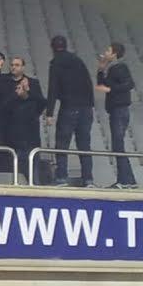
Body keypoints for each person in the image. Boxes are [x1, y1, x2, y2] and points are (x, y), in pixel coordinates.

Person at [45, 35, 94, 187]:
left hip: (69, 107)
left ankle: (61, 178)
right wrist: (90, 106)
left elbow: (53, 88)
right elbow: (88, 83)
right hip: (86, 108)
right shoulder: (78, 61)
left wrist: (49, 113)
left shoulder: (56, 63)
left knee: (62, 144)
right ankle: (88, 179)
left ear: (53, 48)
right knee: (84, 145)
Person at [96, 42, 137, 189]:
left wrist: (110, 89)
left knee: (118, 145)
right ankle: (127, 179)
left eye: (108, 50)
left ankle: (125, 180)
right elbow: (102, 83)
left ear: (114, 54)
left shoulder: (120, 67)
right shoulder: (111, 68)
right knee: (117, 146)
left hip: (120, 109)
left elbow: (129, 84)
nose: (105, 52)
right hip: (115, 109)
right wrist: (101, 69)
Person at [0, 57, 46, 183]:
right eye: (12, 65)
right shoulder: (4, 83)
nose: (13, 67)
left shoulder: (33, 83)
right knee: (12, 175)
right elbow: (2, 106)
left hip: (31, 136)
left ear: (23, 67)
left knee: (33, 175)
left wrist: (28, 92)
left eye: (17, 65)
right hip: (11, 136)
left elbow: (42, 103)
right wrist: (17, 95)